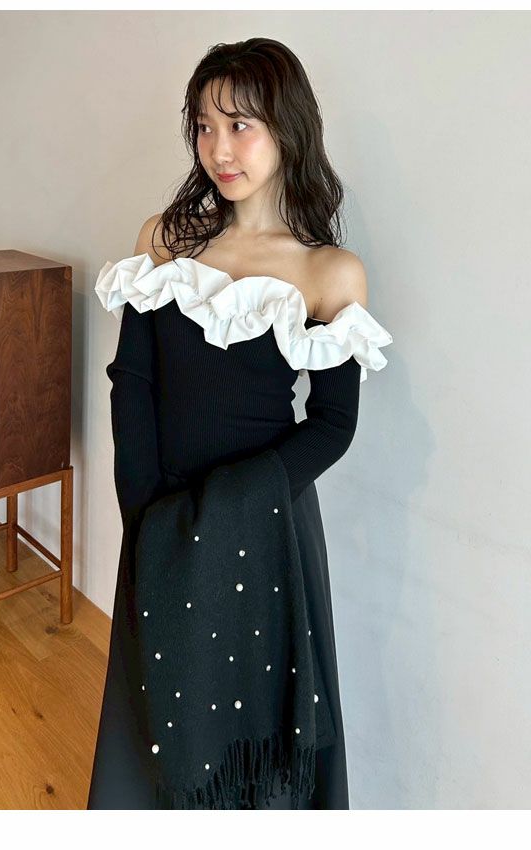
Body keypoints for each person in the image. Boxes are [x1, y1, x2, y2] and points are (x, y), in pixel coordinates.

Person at [87, 37, 392, 810]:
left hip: (267, 527)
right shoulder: (164, 241)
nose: (219, 149)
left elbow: (332, 424)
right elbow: (133, 382)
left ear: (286, 127)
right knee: (158, 718)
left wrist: (229, 507)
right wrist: (145, 514)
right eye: (204, 126)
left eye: (239, 125)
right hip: (161, 513)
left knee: (262, 743)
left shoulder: (328, 271)